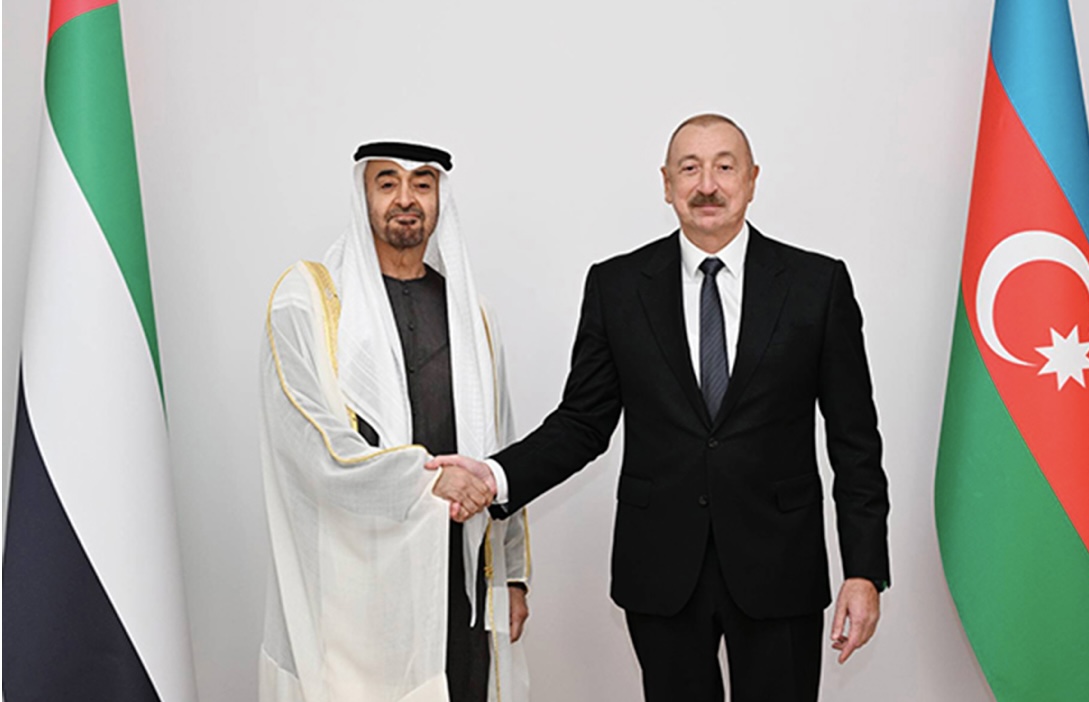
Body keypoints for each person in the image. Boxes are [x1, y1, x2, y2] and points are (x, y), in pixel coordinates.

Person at [429, 115, 889, 701]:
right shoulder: (617, 287)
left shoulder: (817, 285)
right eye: (689, 168)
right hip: (662, 571)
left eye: (724, 167)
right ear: (667, 184)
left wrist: (864, 570)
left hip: (781, 567)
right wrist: (493, 477)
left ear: (752, 180)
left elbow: (855, 441)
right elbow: (582, 423)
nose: (707, 185)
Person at [259, 141, 531, 702]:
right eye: (387, 183)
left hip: (459, 572)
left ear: (439, 200)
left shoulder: (472, 313)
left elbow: (500, 444)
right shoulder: (310, 300)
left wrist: (513, 576)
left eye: (422, 184)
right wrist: (424, 481)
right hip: (354, 576)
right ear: (363, 196)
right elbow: (310, 442)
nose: (406, 198)